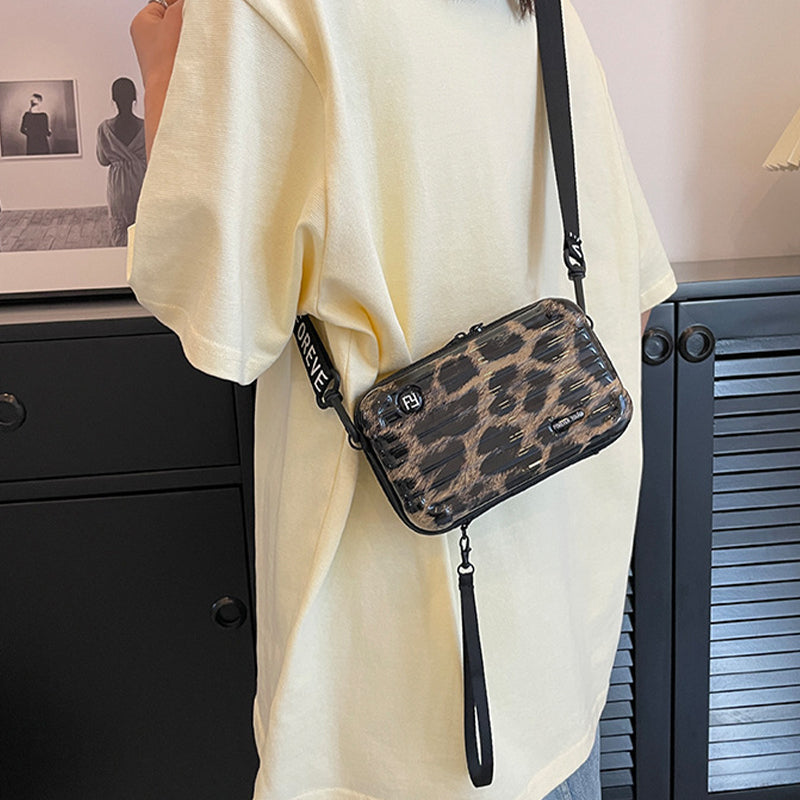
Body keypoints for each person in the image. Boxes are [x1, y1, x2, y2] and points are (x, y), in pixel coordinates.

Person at [128, 1, 676, 799]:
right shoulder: (540, 10)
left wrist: (160, 71)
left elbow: (220, 320)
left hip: (385, 696)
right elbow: (634, 302)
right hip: (560, 651)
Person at [96, 77, 147, 246]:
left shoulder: (104, 128)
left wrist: (119, 157)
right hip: (140, 182)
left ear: (114, 99)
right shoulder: (145, 126)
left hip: (118, 186)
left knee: (119, 229)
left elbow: (103, 160)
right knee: (142, 230)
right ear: (134, 98)